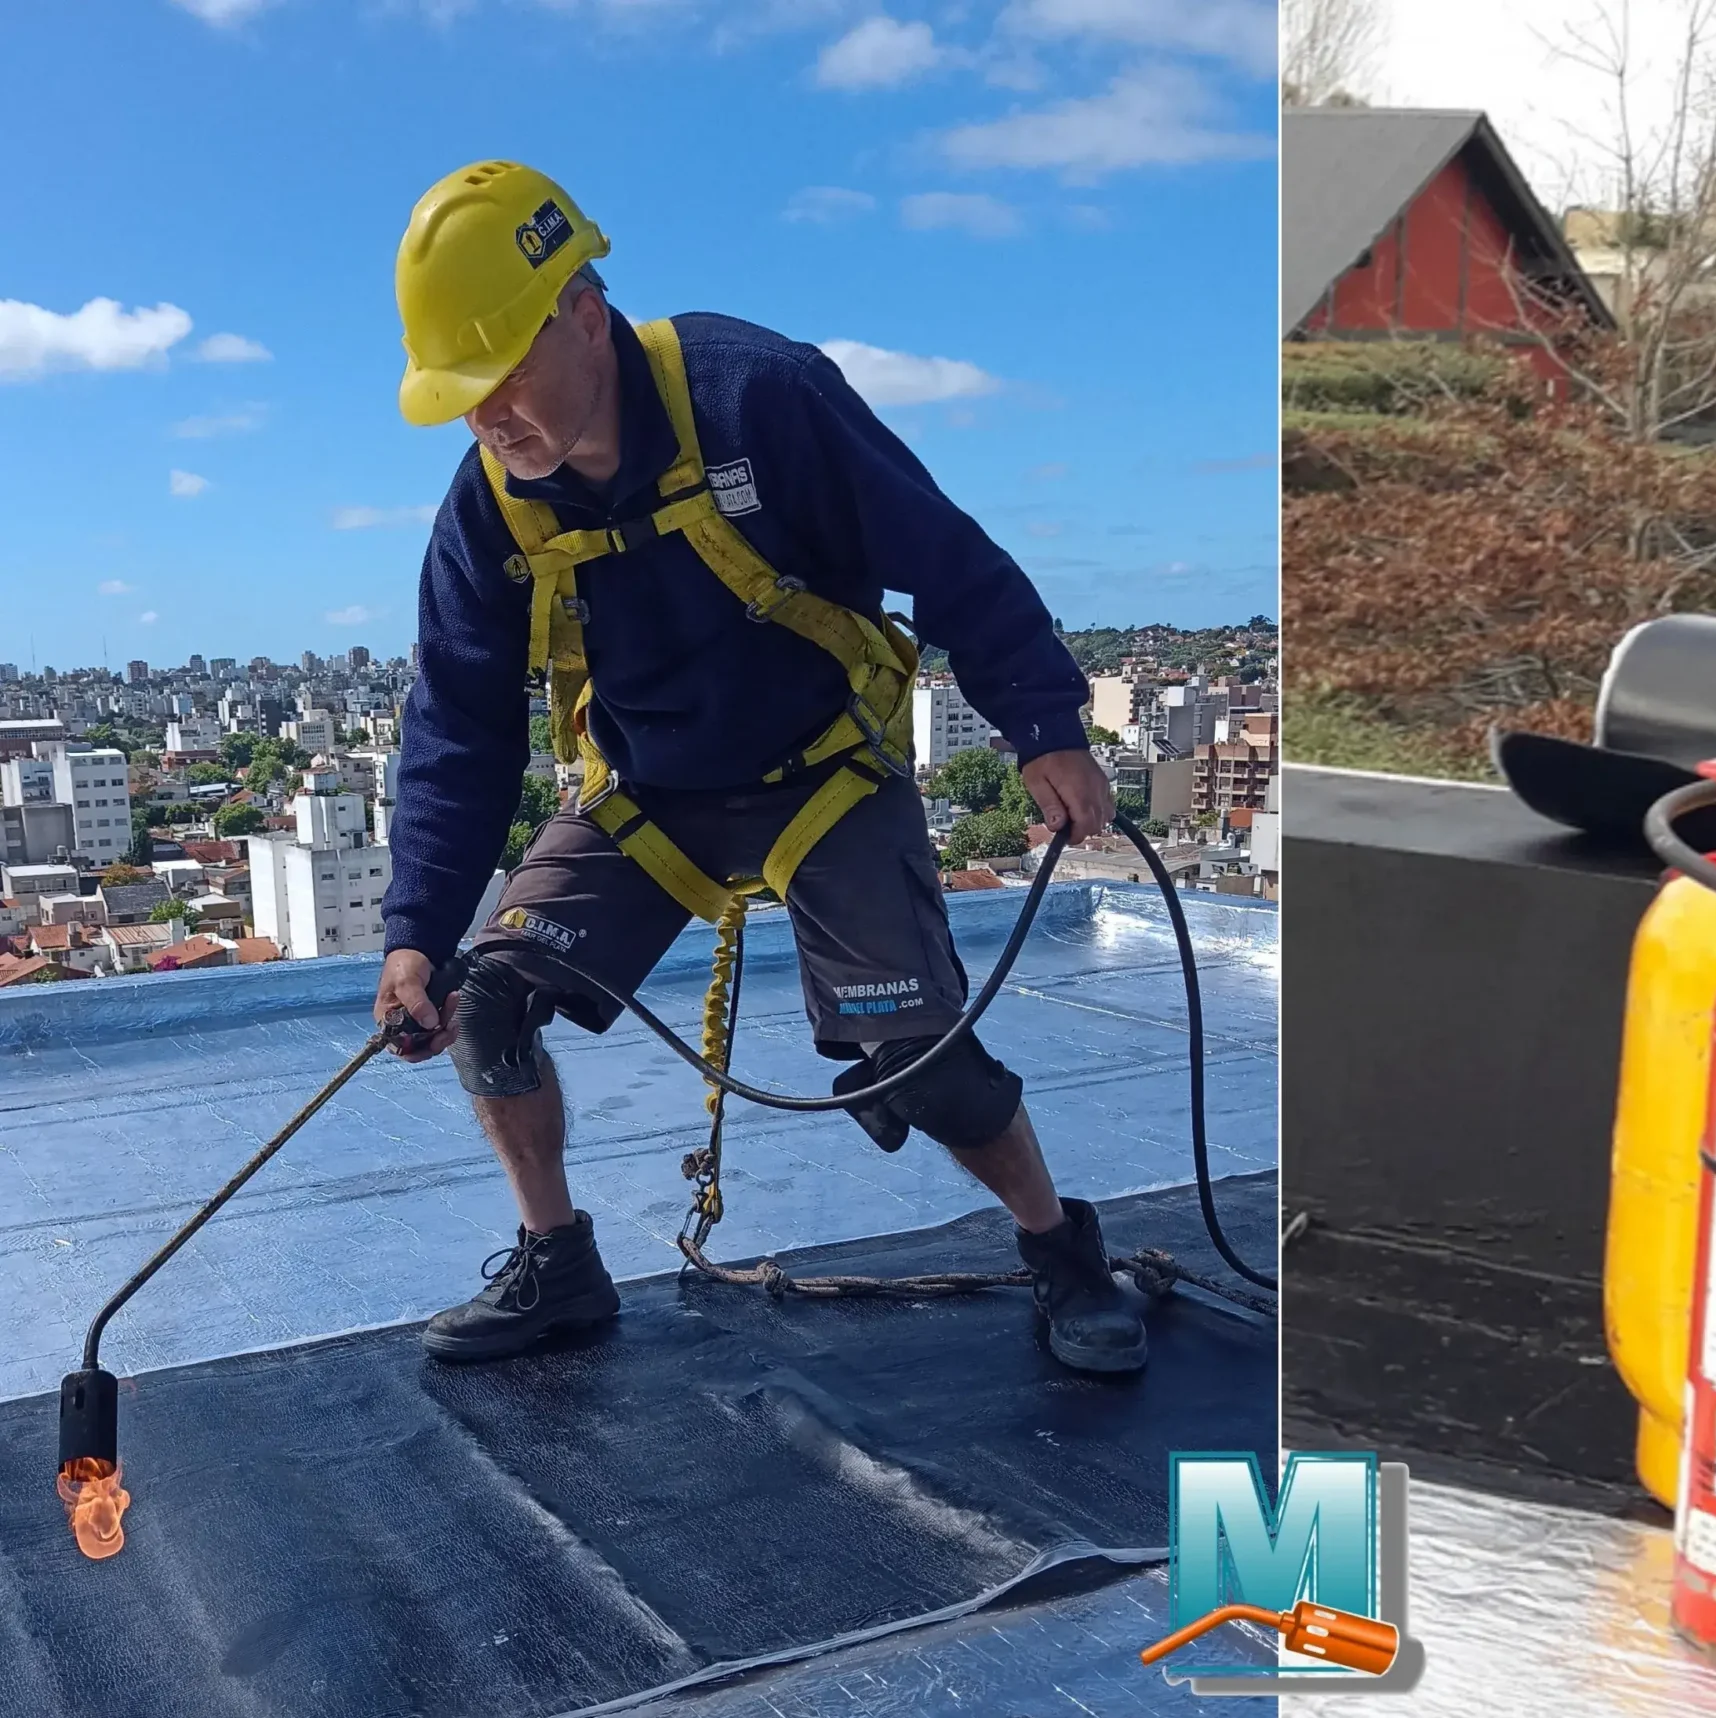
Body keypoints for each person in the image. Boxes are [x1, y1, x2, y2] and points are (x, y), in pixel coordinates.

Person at [370, 160, 1146, 1375]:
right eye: (463, 399)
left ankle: (1060, 1252)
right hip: (650, 796)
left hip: (822, 773)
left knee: (922, 1064)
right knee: (488, 1005)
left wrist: (1043, 725)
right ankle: (557, 1264)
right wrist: (417, 931)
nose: (491, 420)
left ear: (585, 315)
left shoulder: (757, 399)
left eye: (504, 378)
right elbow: (459, 726)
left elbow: (946, 558)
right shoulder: (492, 510)